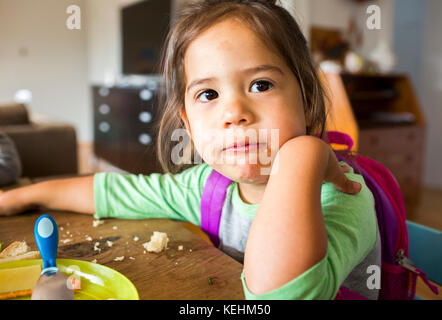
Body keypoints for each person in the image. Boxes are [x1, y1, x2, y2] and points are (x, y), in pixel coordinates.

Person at [0, 0, 380, 299]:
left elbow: (279, 296)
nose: (234, 113)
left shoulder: (344, 200)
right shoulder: (208, 188)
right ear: (187, 120)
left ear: (308, 99)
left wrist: (300, 158)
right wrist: (22, 196)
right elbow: (114, 193)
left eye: (261, 85)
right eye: (208, 94)